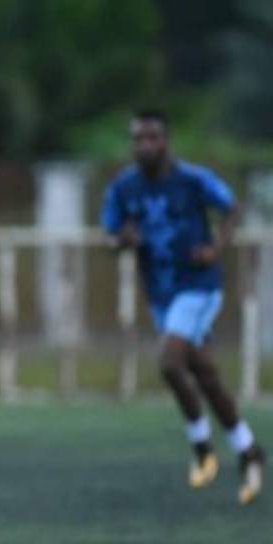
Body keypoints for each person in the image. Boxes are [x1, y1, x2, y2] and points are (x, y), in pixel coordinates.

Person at [102, 109, 263, 505]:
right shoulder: (123, 188)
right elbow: (111, 237)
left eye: (152, 138)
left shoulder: (192, 180)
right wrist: (122, 241)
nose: (145, 146)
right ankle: (248, 449)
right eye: (138, 139)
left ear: (166, 141)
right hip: (162, 294)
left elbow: (233, 208)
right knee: (204, 373)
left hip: (198, 287)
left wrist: (215, 248)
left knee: (170, 363)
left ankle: (202, 447)